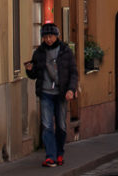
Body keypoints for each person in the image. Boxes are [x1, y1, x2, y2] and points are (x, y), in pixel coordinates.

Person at [25, 22, 79, 167]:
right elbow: (35, 74)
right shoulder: (39, 53)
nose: (48, 39)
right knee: (47, 125)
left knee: (61, 125)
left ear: (57, 36)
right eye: (46, 37)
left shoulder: (65, 51)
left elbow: (73, 73)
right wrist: (30, 70)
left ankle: (60, 153)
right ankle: (50, 156)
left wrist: (71, 89)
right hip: (46, 93)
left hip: (61, 94)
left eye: (51, 36)